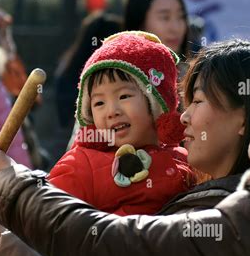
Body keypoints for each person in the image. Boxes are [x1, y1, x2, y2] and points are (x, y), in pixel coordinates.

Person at [0, 39, 250, 256]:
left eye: (197, 101)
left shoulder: (220, 218)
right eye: (98, 102)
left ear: (248, 118)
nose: (184, 116)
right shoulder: (248, 205)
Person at [47, 31, 193, 215]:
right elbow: (47, 219)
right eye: (99, 103)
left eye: (124, 96)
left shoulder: (185, 157)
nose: (111, 111)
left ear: (156, 103)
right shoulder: (81, 165)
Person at [124, 0, 191, 76]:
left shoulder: (192, 76)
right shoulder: (124, 75)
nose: (175, 28)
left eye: (181, 16)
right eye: (165, 17)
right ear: (140, 23)